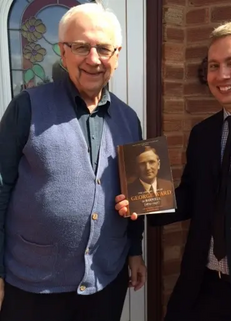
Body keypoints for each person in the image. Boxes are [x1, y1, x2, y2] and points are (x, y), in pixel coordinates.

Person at [115, 21, 231, 321]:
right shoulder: (203, 133)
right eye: (214, 65)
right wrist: (142, 205)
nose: (222, 75)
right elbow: (190, 197)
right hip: (200, 290)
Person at [0, 3, 145, 321]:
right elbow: (1, 188)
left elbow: (137, 195)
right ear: (63, 52)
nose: (93, 59)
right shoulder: (26, 108)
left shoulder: (130, 120)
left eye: (104, 48)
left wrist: (135, 251)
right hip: (32, 286)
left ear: (117, 56)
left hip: (105, 282)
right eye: (81, 47)